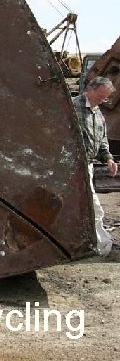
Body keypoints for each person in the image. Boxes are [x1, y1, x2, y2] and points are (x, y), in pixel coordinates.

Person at [72, 76, 117, 255]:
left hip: (87, 167)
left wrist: (109, 159)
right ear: (89, 89)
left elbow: (102, 141)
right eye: (99, 96)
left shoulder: (98, 114)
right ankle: (101, 246)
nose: (102, 101)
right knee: (93, 207)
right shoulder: (72, 107)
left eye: (105, 98)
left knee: (84, 206)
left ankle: (89, 244)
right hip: (73, 167)